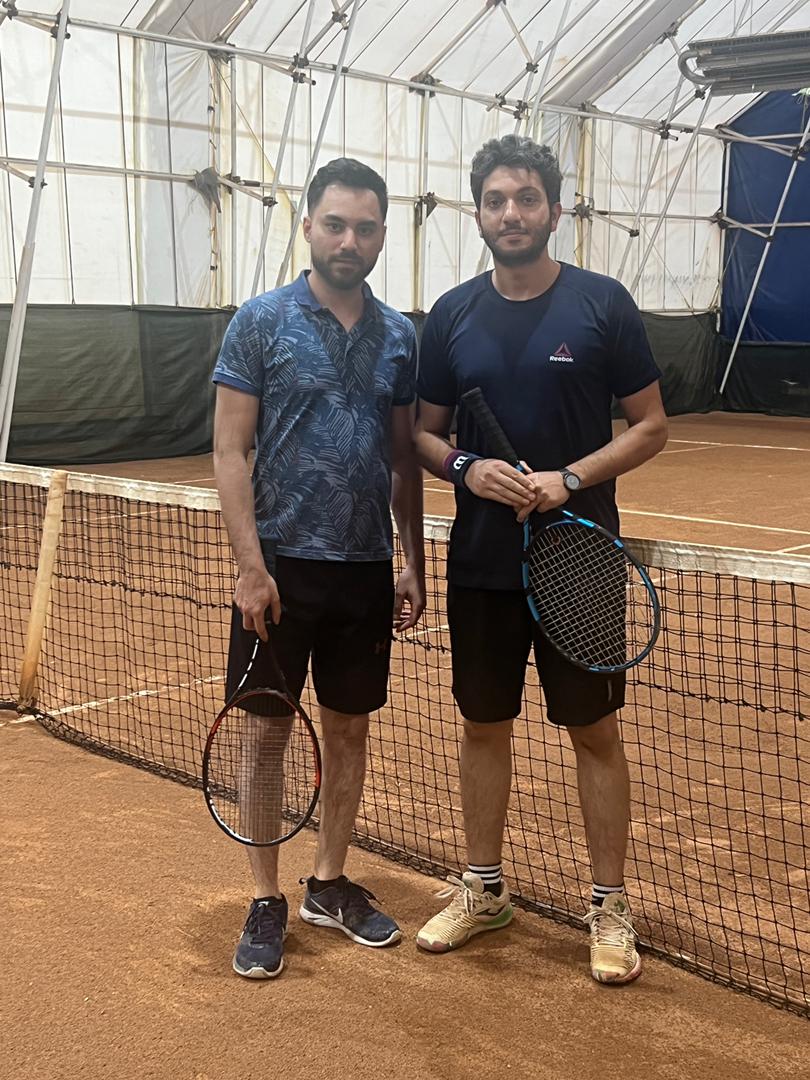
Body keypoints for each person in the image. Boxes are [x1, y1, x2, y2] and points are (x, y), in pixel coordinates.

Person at [413, 134, 667, 984]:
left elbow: (650, 425)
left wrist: (571, 477)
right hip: (483, 561)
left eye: (526, 198)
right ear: (478, 213)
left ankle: (609, 906)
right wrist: (465, 467)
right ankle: (484, 891)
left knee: (594, 730)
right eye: (496, 200)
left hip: (580, 561)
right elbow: (423, 434)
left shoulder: (603, 304)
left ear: (555, 211)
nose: (511, 213)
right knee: (483, 725)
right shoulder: (451, 314)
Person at [212, 157, 426, 979]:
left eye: (365, 228)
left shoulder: (400, 335)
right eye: (335, 224)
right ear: (308, 226)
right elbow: (230, 451)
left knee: (350, 730)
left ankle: (329, 882)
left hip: (365, 570)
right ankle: (266, 895)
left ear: (381, 235)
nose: (349, 240)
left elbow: (403, 460)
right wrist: (250, 568)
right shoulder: (260, 321)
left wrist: (410, 559)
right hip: (279, 571)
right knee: (267, 733)